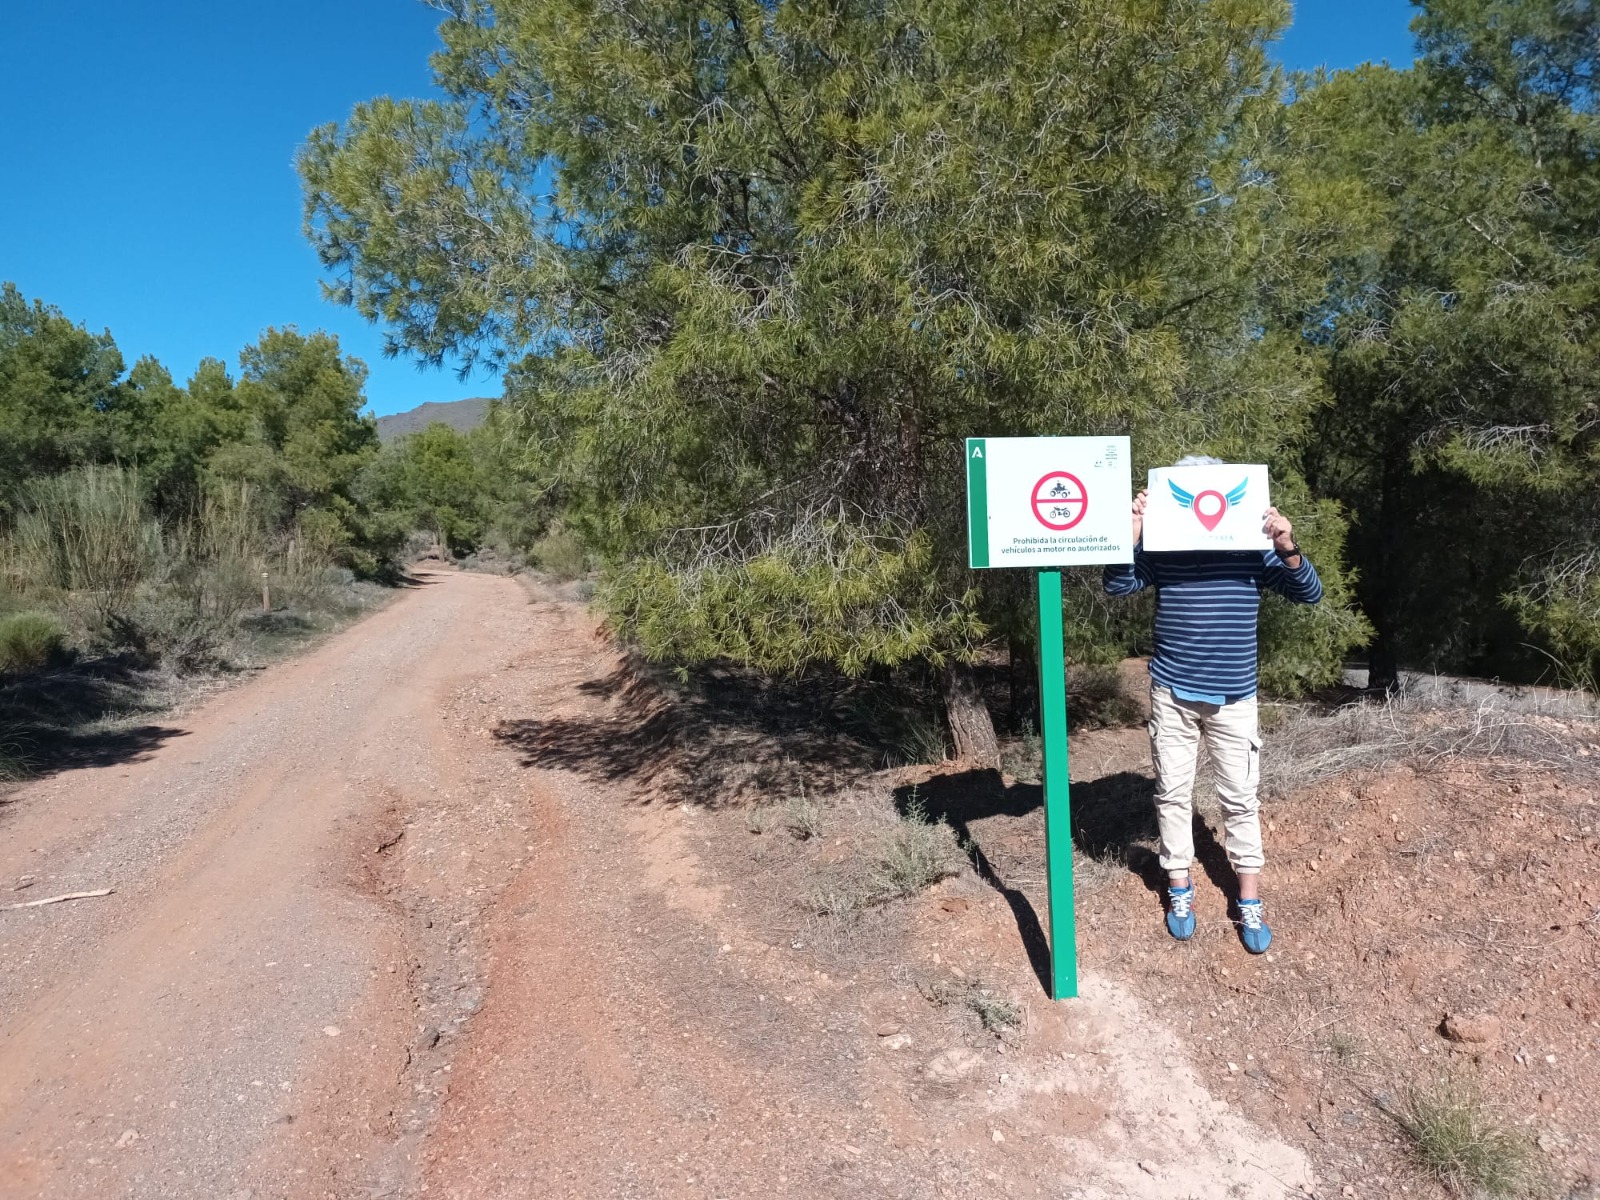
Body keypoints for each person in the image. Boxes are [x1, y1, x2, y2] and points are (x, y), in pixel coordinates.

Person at [1102, 457, 1323, 953]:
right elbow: (1117, 583)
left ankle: (1248, 900)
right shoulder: (1163, 547)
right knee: (1173, 793)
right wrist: (1131, 534)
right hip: (1172, 691)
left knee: (1240, 799)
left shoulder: (1251, 546)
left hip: (1234, 696)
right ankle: (1178, 885)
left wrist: (1286, 544)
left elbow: (1309, 592)